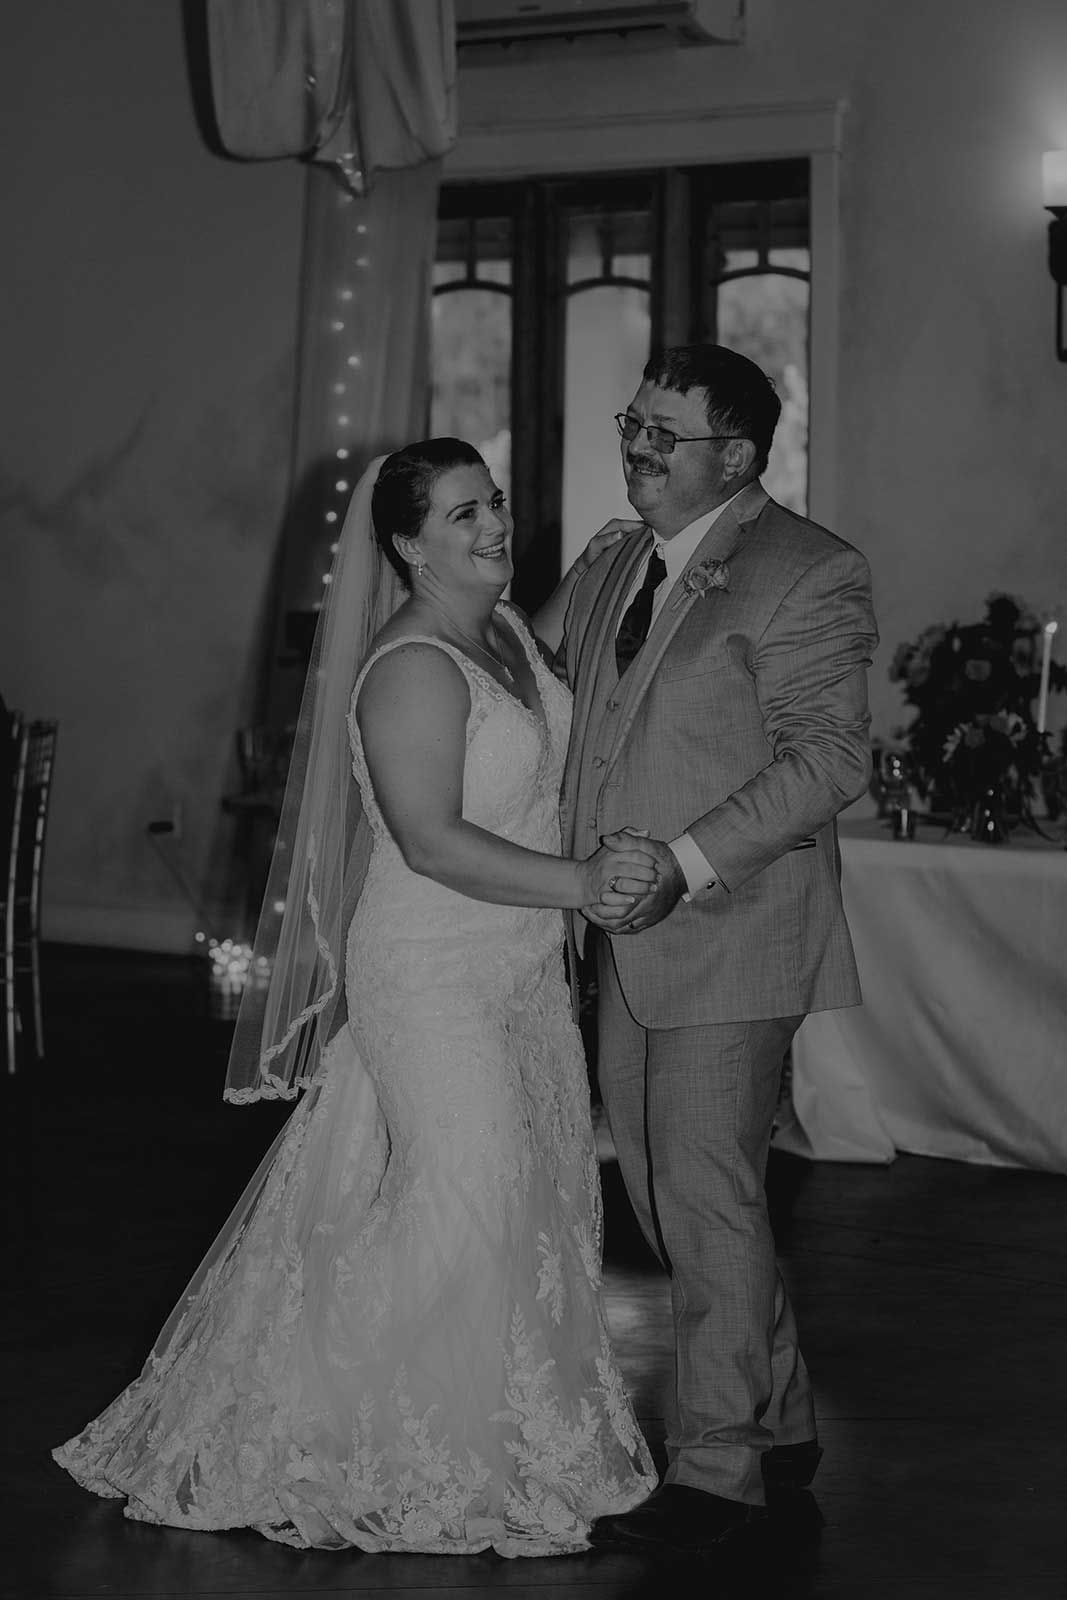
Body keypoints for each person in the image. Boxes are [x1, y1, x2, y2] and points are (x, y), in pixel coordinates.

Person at [52, 439, 660, 1556]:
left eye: (496, 503)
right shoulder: (412, 666)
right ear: (403, 544)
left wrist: (613, 558)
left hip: (518, 967)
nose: (492, 526)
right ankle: (323, 1433)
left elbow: (553, 671)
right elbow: (429, 840)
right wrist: (580, 882)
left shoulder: (508, 629)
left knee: (531, 1196)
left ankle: (476, 1434)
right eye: (462, 514)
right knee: (465, 1188)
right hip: (429, 968)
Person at [557, 345, 879, 1558]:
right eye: (629, 424)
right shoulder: (611, 562)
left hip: (730, 928)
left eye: (661, 434)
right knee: (674, 1192)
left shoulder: (807, 570)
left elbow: (827, 758)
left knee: (699, 1194)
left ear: (736, 457)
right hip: (621, 940)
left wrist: (680, 862)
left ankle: (718, 1466)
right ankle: (777, 1416)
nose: (633, 449)